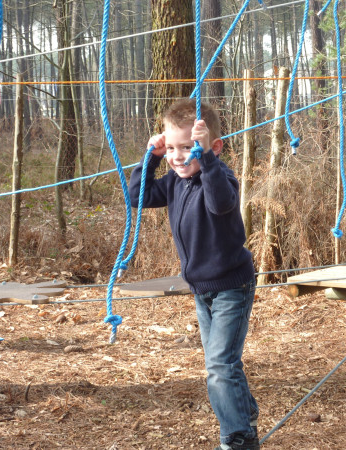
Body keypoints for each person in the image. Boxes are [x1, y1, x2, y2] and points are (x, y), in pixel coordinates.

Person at [129, 99, 259, 450]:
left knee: (219, 365)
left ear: (212, 148)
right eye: (172, 148)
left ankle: (238, 436)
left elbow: (220, 203)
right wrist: (152, 156)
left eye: (187, 148)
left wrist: (208, 161)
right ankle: (245, 414)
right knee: (222, 363)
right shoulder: (173, 180)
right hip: (202, 289)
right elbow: (136, 196)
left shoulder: (220, 177)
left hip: (233, 284)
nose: (178, 156)